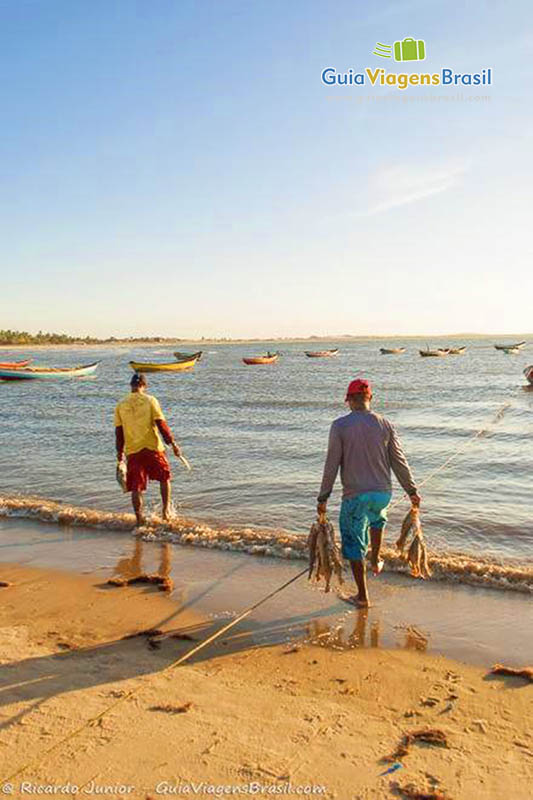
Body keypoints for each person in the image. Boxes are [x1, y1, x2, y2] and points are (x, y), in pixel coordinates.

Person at [317, 378, 420, 607]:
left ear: (349, 401)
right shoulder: (386, 424)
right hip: (383, 494)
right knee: (377, 520)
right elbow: (399, 461)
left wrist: (323, 496)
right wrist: (411, 489)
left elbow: (331, 463)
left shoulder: (340, 426)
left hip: (355, 496)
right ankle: (375, 559)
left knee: (354, 544)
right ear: (370, 398)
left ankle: (362, 596)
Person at [114, 373, 181, 525]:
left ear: (131, 386)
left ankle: (139, 519)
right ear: (144, 386)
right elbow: (161, 425)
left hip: (132, 450)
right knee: (165, 478)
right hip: (153, 447)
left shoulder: (120, 405)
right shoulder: (151, 400)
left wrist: (119, 454)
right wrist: (173, 444)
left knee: (136, 486)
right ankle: (165, 512)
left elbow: (119, 433)